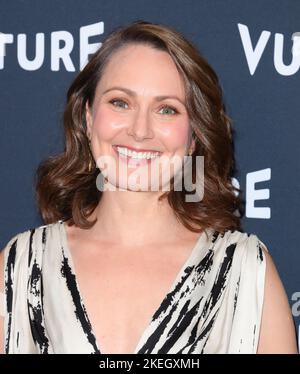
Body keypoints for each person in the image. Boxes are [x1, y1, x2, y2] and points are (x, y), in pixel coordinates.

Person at [0, 20, 298, 354]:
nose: (140, 130)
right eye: (120, 103)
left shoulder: (245, 272)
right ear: (87, 117)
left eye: (166, 109)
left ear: (194, 136)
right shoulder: (22, 266)